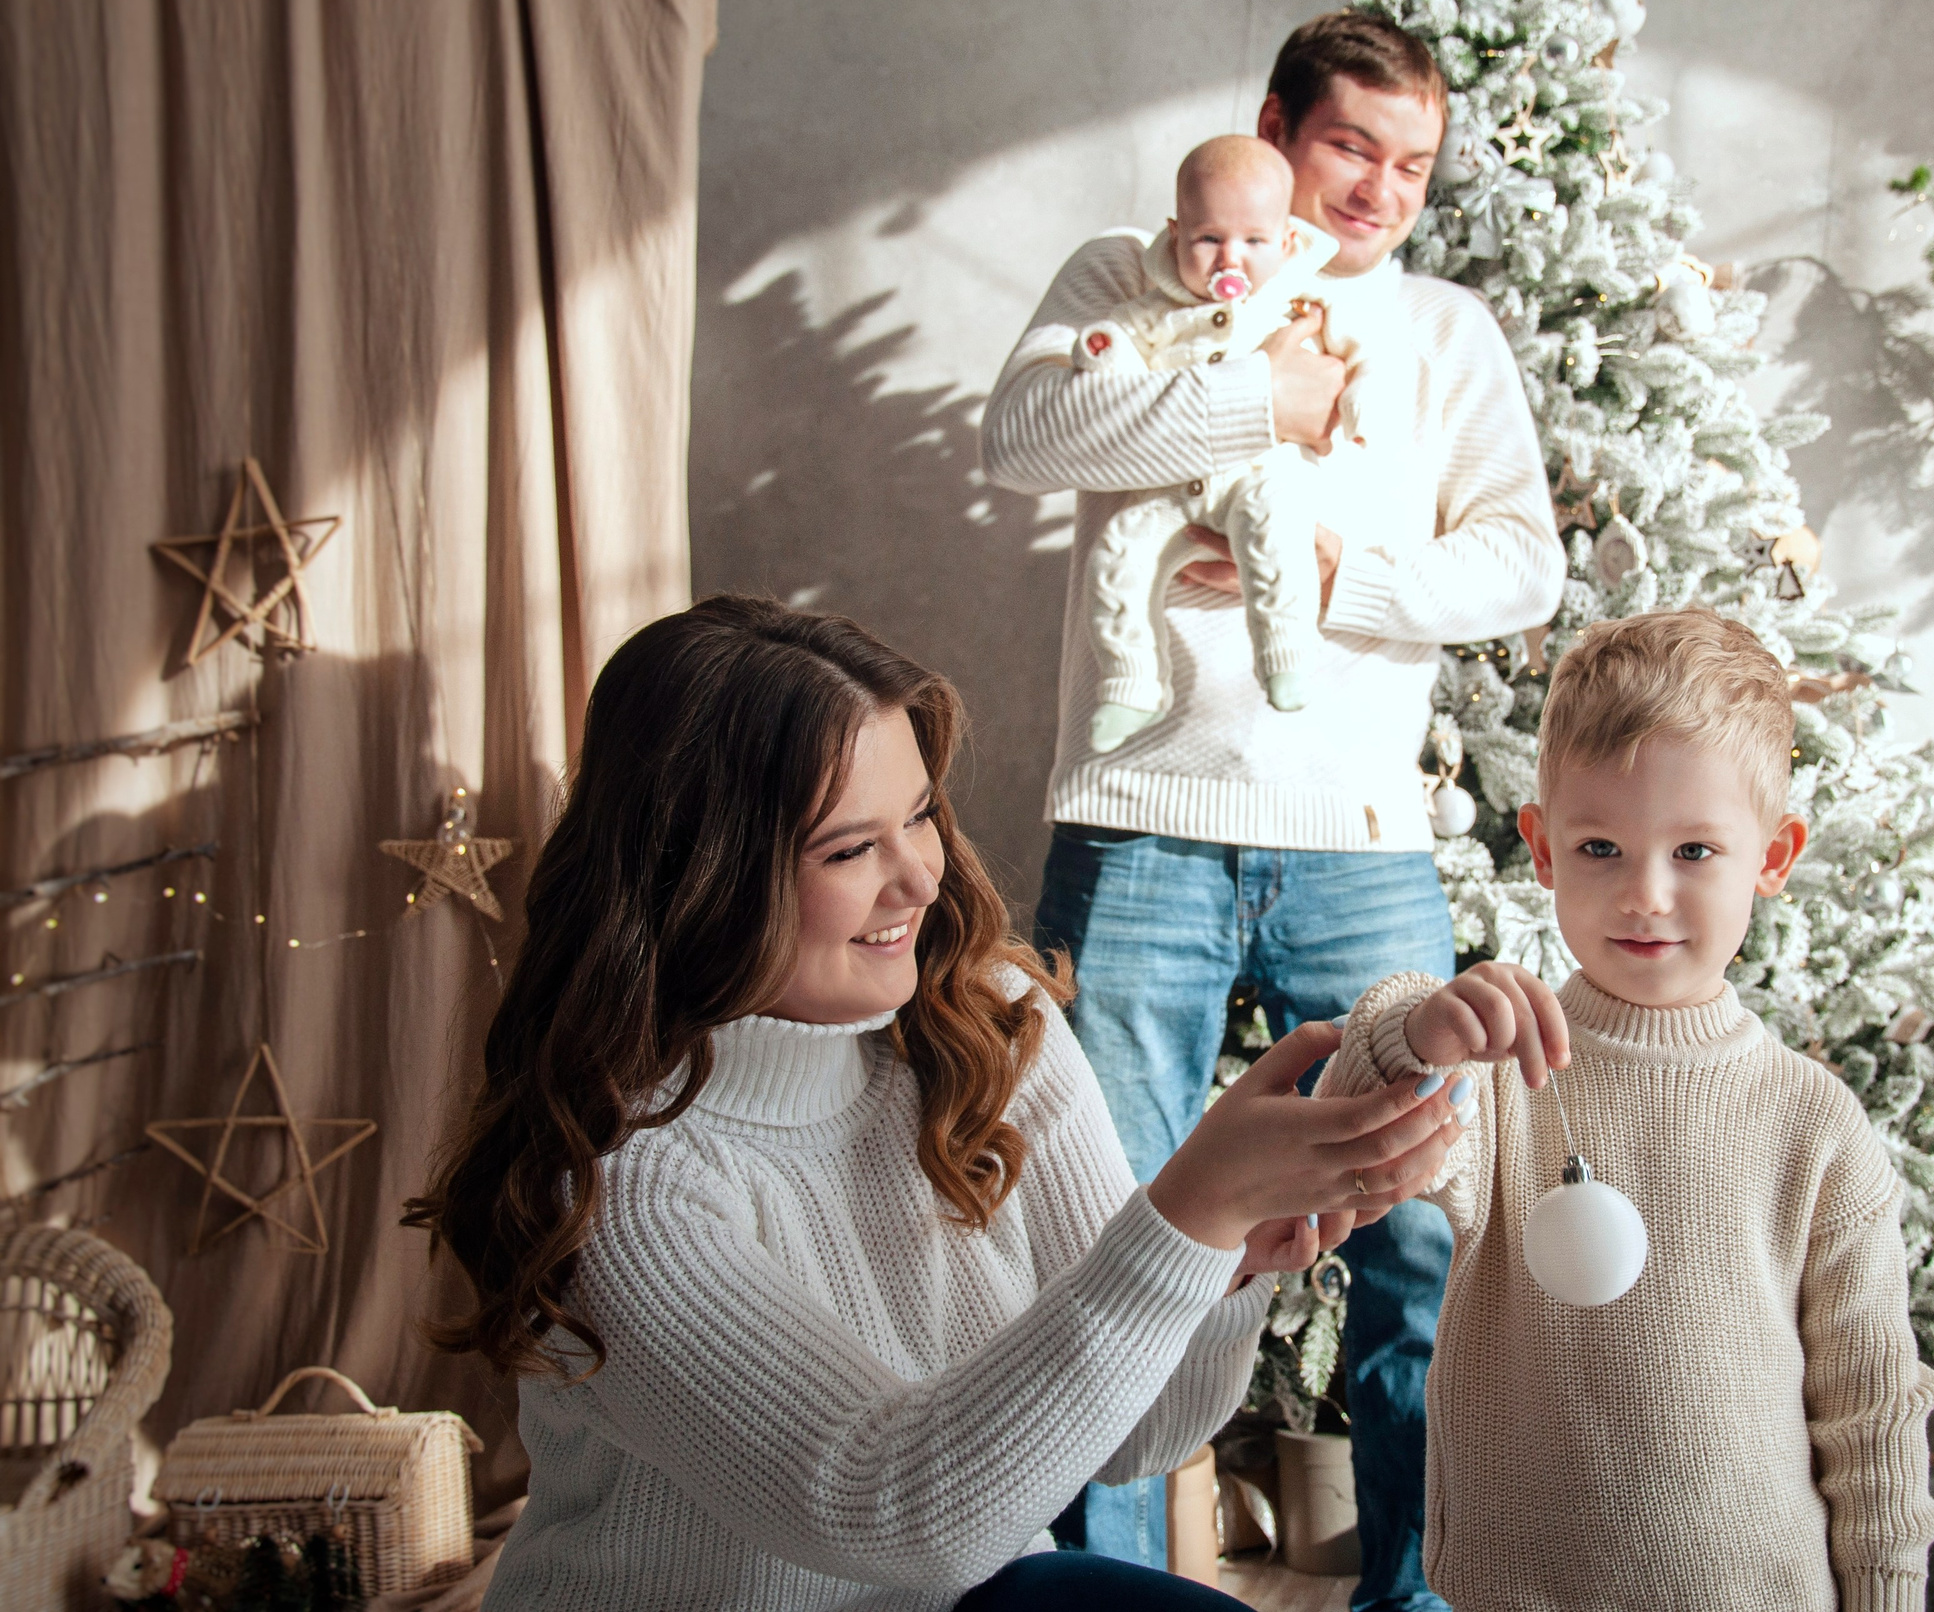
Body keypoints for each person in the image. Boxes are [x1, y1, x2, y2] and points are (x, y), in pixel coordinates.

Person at [404, 596, 1468, 1612]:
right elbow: (885, 1505)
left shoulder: (986, 1019)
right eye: (849, 846)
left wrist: (1225, 1255)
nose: (919, 875)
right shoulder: (624, 1182)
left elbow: (1130, 1436)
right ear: (699, 878)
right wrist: (1187, 1209)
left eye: (917, 813)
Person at [982, 11, 1563, 1607]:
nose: (1379, 190)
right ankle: (1103, 1593)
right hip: (1140, 817)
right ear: (1273, 126)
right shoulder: (1138, 271)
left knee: (1422, 1237)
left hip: (1363, 841)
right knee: (1102, 1230)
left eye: (1413, 165)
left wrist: (1334, 575)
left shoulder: (1443, 331)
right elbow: (1025, 436)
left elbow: (1524, 561)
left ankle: (1415, 1590)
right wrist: (1265, 407)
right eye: (1351, 147)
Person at [1315, 610, 1934, 1611]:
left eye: (1694, 850)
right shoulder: (1500, 1069)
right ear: (1543, 849)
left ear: (1773, 856)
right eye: (1601, 846)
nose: (1644, 894)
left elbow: (1870, 1415)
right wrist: (1419, 1029)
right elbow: (1347, 1127)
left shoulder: (1810, 1121)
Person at [1070, 134, 1409, 747]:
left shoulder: (1302, 299)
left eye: (1254, 242)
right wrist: (1103, 353)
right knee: (1118, 551)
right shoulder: (1158, 308)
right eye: (1209, 239)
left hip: (1258, 479)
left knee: (1274, 524)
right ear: (1176, 235)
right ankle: (1132, 683)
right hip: (1175, 491)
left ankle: (1284, 656)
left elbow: (1368, 358)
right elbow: (1115, 345)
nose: (1232, 259)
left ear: (1285, 241)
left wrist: (1361, 404)